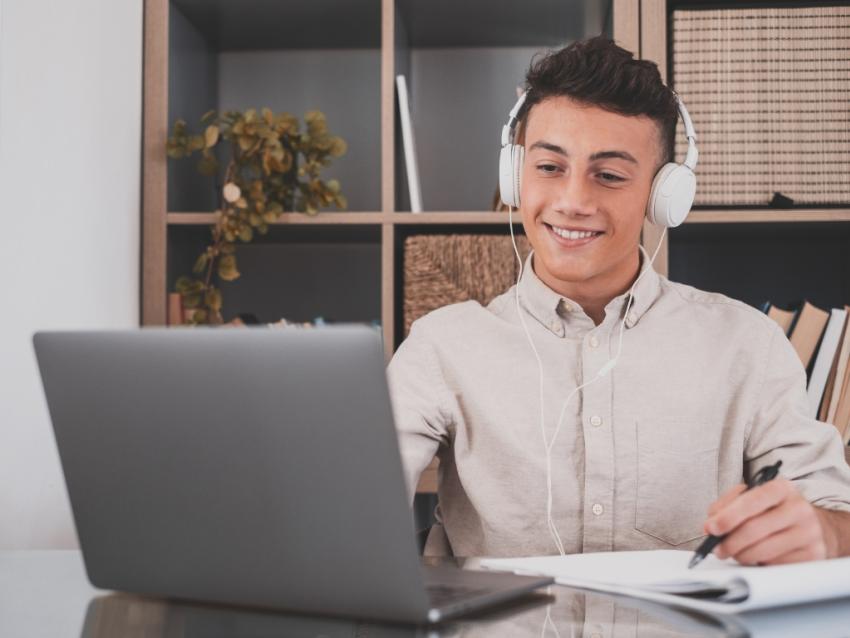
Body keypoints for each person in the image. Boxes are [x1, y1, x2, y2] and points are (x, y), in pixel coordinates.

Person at [386, 36, 850, 563]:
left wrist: (824, 532)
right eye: (548, 167)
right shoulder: (442, 347)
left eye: (608, 176)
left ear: (663, 195)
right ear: (514, 177)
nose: (574, 202)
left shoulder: (746, 345)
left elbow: (835, 513)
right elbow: (354, 506)